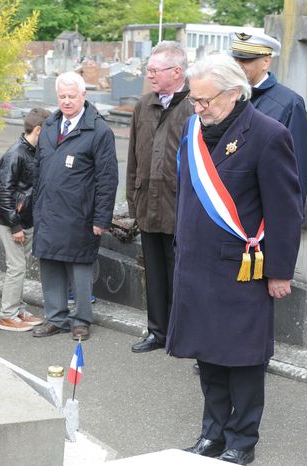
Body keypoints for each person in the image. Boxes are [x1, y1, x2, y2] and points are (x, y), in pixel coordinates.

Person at [169, 54, 302, 465]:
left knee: (242, 360)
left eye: (205, 101)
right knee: (207, 356)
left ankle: (242, 440)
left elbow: (285, 209)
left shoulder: (267, 134)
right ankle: (212, 433)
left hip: (241, 267)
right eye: (194, 100)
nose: (197, 108)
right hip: (196, 264)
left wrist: (280, 270)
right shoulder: (195, 127)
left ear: (233, 93)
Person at [31, 71, 118, 341]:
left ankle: (81, 320)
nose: (66, 101)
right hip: (48, 210)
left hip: (80, 213)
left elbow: (107, 179)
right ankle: (55, 317)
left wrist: (101, 219)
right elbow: (38, 169)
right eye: (62, 96)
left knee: (79, 268)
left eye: (72, 96)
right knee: (51, 266)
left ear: (83, 96)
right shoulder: (48, 126)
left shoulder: (99, 131)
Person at [126, 41, 194, 353]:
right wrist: (133, 201)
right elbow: (133, 159)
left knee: (182, 274)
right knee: (153, 272)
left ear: (177, 71)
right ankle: (158, 332)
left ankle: (185, 335)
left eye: (155, 70)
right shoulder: (143, 105)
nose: (149, 75)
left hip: (180, 207)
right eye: (149, 69)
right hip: (148, 205)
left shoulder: (194, 105)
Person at [230, 31, 307, 206]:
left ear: (266, 62)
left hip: (262, 208)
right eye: (235, 59)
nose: (238, 65)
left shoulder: (289, 103)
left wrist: (288, 224)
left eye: (245, 60)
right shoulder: (226, 96)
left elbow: (297, 170)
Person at [0, 107, 50, 332]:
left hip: (25, 219)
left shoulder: (32, 151)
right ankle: (7, 314)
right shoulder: (15, 154)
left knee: (21, 266)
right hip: (13, 221)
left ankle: (16, 309)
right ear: (38, 130)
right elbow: (4, 192)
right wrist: (15, 224)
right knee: (16, 267)